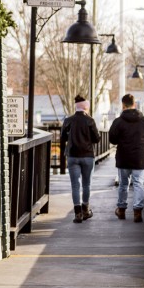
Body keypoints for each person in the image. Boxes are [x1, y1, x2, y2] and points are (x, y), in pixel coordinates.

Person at [108, 93, 144, 223]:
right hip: (139, 158)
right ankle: (137, 212)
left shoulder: (118, 121)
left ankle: (121, 210)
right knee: (139, 184)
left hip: (123, 158)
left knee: (123, 184)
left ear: (123, 105)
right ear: (135, 104)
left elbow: (112, 139)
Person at [60, 95, 101, 223]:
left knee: (75, 185)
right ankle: (85, 210)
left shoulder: (68, 120)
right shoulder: (90, 121)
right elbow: (97, 138)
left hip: (72, 156)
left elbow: (62, 137)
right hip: (88, 156)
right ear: (85, 107)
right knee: (86, 184)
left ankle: (77, 214)